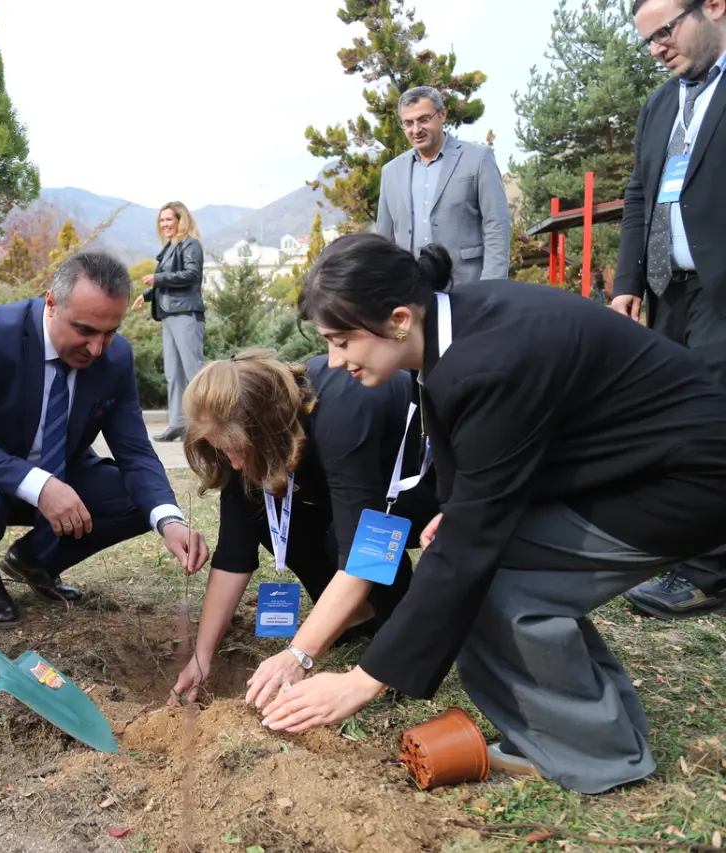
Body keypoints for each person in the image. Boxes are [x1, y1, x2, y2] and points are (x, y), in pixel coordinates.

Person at [267, 233, 726, 795]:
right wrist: (458, 511)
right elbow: (460, 480)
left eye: (341, 341)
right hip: (630, 464)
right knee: (469, 564)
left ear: (397, 319)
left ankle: (592, 752)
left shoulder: (481, 363)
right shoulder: (454, 328)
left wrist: (364, 679)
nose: (335, 362)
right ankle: (586, 733)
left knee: (491, 581)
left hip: (685, 479)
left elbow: (466, 548)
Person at [0, 252, 210, 625]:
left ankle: (34, 560)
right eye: (84, 330)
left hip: (61, 470)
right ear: (51, 302)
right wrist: (40, 485)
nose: (97, 348)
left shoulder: (115, 358)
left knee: (139, 502)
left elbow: (134, 450)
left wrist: (170, 521)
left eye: (110, 331)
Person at [165, 350, 438, 706]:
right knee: (262, 512)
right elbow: (233, 553)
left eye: (236, 450)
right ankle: (357, 614)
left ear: (266, 430)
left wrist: (298, 655)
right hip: (346, 492)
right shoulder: (239, 428)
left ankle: (401, 628)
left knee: (351, 540)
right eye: (222, 451)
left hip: (418, 486)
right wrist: (202, 656)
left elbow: (367, 551)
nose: (232, 462)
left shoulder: (341, 412)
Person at [610, 0, 726, 620]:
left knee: (712, 418)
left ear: (712, 6)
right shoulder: (660, 103)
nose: (656, 47)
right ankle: (692, 548)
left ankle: (707, 572)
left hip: (721, 289)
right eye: (648, 39)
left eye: (666, 30)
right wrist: (627, 280)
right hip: (668, 289)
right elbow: (638, 195)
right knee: (679, 418)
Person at [375, 86, 510, 285]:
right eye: (408, 123)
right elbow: (384, 239)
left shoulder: (478, 158)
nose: (416, 129)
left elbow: (496, 224)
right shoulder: (391, 171)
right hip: (412, 290)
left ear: (442, 115)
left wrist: (492, 285)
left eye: (423, 119)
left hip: (469, 285)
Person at [133, 201, 206, 442]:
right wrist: (146, 295)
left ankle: (204, 425)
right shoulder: (171, 248)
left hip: (186, 314)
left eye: (169, 219)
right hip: (169, 314)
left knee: (193, 372)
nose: (164, 224)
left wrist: (158, 277)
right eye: (162, 220)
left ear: (180, 220)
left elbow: (191, 275)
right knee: (173, 373)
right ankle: (178, 424)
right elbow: (166, 282)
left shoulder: (191, 245)